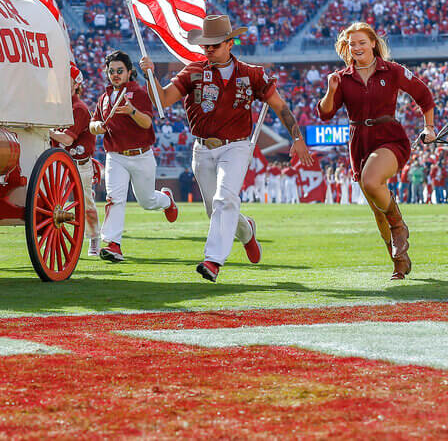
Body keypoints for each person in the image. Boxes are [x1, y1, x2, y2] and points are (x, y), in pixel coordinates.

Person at [141, 14, 313, 283]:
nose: (209, 49)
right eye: (206, 45)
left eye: (215, 44)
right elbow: (162, 100)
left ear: (230, 43)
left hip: (237, 146)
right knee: (215, 209)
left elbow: (280, 106)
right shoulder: (193, 71)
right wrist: (149, 74)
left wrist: (297, 138)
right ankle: (246, 231)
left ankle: (212, 261)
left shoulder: (252, 74)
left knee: (224, 200)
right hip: (202, 148)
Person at [316, 22, 435, 280]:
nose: (356, 47)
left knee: (371, 181)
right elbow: (325, 114)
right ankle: (399, 262)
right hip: (359, 142)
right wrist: (331, 90)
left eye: (361, 42)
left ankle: (398, 225)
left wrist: (429, 127)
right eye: (351, 43)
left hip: (390, 138)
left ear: (372, 43)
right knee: (376, 212)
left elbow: (424, 96)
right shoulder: (342, 78)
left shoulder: (392, 70)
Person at [87, 50, 177, 262]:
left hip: (141, 155)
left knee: (147, 201)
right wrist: (97, 126)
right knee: (114, 198)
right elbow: (92, 125)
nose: (115, 75)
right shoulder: (104, 97)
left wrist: (132, 112)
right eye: (111, 71)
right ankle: (113, 244)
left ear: (129, 72)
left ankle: (166, 200)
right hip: (115, 155)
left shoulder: (139, 93)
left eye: (120, 71)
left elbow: (147, 122)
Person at [49, 64, 98, 255]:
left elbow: (68, 139)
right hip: (59, 163)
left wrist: (49, 131)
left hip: (78, 164)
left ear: (76, 84)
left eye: (66, 79)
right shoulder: (56, 106)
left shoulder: (79, 108)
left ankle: (94, 238)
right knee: (52, 203)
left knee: (85, 204)